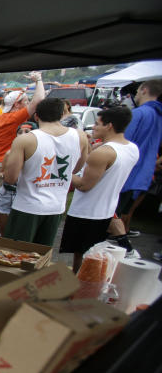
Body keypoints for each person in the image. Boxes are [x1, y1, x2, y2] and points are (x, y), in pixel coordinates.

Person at [61, 106, 138, 270]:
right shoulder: (132, 148)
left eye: (97, 123)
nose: (93, 127)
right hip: (106, 209)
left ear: (109, 126)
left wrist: (63, 171)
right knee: (93, 256)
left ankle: (79, 288)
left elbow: (83, 185)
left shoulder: (104, 152)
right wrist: (89, 146)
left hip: (87, 212)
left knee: (83, 257)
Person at [3, 97, 87, 246]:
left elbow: (10, 178)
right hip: (56, 206)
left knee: (14, 254)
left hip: (26, 206)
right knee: (41, 255)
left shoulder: (25, 140)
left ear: (36, 116)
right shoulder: (80, 136)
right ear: (62, 114)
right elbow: (76, 168)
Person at [115, 79, 162, 233]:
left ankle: (120, 245)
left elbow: (122, 143)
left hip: (128, 174)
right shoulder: (158, 115)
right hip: (144, 176)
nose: (135, 94)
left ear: (144, 90)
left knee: (113, 218)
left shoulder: (138, 114)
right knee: (124, 214)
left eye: (137, 90)